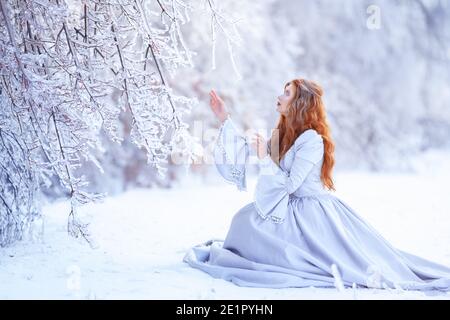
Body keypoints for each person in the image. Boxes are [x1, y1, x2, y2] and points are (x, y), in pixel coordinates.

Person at [183, 78, 450, 292]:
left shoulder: (312, 139)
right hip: (290, 208)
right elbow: (247, 150)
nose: (280, 95)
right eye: (283, 90)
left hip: (309, 213)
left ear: (299, 103)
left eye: (287, 93)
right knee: (243, 219)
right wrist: (224, 118)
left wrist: (266, 159)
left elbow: (290, 184)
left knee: (252, 228)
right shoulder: (286, 134)